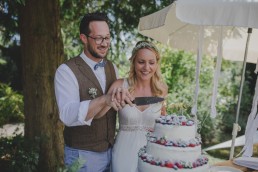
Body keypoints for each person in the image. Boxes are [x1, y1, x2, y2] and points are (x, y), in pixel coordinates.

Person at [54, 12, 133, 172]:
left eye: (107, 37)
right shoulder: (66, 70)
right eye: (98, 38)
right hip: (81, 155)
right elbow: (67, 115)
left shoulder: (112, 67)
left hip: (112, 152)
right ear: (84, 38)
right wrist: (104, 100)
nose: (104, 43)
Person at [110, 41, 168, 172]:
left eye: (151, 62)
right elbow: (104, 114)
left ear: (156, 64)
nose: (146, 67)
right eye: (141, 61)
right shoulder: (119, 85)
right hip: (123, 150)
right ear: (133, 62)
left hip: (152, 152)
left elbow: (163, 121)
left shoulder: (162, 90)